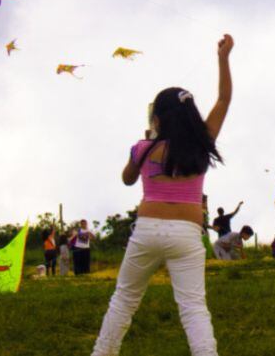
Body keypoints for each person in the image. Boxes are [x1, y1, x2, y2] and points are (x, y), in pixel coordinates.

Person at [92, 34, 232, 356]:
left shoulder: (143, 148)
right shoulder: (201, 143)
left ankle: (102, 353)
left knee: (124, 299)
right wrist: (223, 58)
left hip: (147, 230)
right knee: (194, 307)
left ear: (157, 119)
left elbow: (127, 180)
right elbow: (223, 100)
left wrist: (147, 143)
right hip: (187, 234)